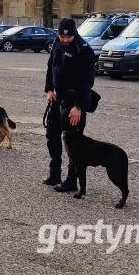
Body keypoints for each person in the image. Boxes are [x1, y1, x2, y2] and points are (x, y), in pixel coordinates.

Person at [43, 18, 95, 191]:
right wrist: (49, 89)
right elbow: (51, 67)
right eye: (62, 37)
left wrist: (78, 107)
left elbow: (87, 82)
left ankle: (72, 181)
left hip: (74, 102)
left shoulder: (84, 50)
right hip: (57, 99)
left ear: (75, 34)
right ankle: (54, 173)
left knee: (74, 143)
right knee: (52, 136)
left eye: (68, 38)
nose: (65, 40)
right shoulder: (57, 43)